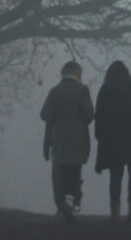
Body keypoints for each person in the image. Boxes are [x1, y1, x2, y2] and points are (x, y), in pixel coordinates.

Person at [94, 59, 131, 218]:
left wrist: (100, 137)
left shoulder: (105, 91)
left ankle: (115, 213)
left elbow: (99, 116)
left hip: (112, 140)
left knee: (115, 174)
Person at [40, 59, 94, 218]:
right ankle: (71, 200)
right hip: (78, 140)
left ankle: (61, 205)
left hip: (58, 139)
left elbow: (45, 115)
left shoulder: (54, 91)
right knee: (74, 171)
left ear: (63, 73)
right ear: (78, 74)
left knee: (59, 173)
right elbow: (89, 116)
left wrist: (46, 144)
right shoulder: (82, 90)